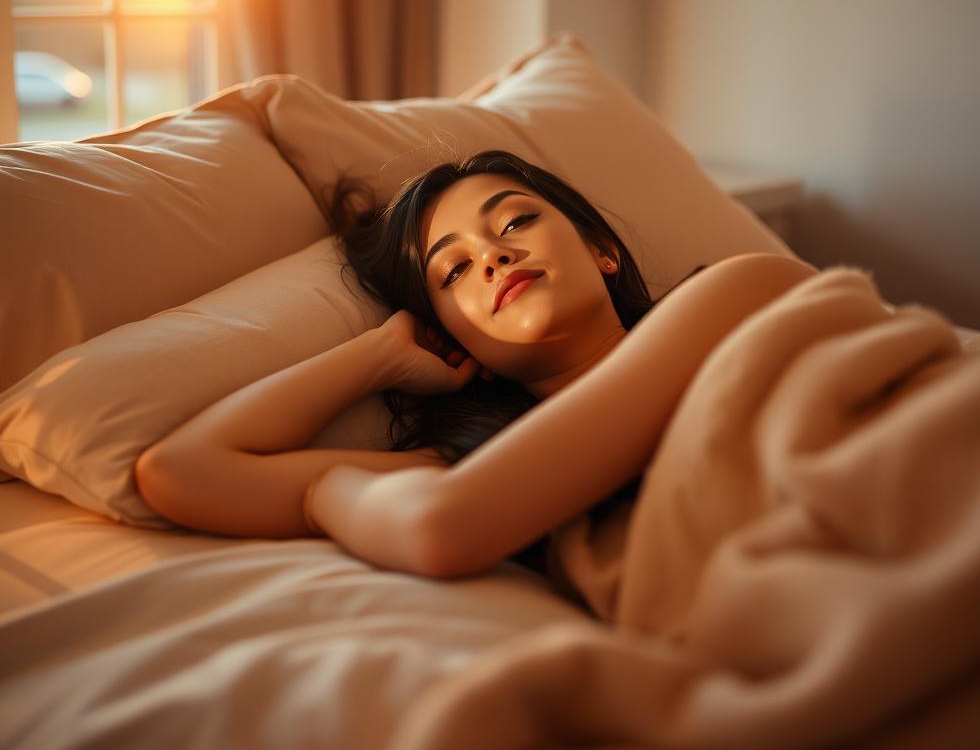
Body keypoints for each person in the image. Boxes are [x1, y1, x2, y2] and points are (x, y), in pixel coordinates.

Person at [134, 149, 817, 580]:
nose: (491, 256)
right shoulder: (478, 468)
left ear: (603, 250)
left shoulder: (740, 292)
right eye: (455, 269)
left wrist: (326, 493)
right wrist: (373, 358)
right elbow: (182, 472)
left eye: (515, 223)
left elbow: (439, 530)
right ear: (450, 333)